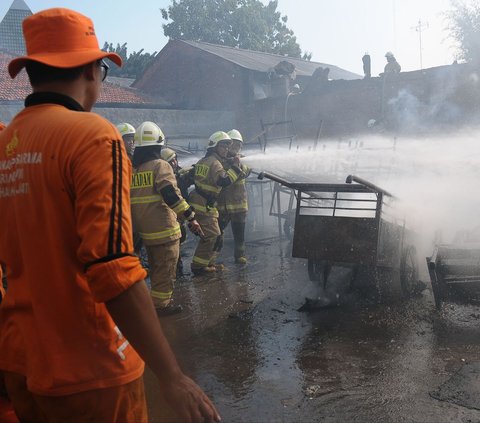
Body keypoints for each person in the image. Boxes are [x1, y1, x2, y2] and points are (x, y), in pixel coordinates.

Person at [0, 8, 220, 423]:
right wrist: (171, 376)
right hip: (90, 368)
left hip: (19, 359)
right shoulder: (93, 136)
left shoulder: (6, 141)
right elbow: (111, 267)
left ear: (32, 72)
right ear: (91, 70)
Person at [130, 121, 203, 316]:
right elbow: (171, 194)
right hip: (164, 229)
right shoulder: (160, 165)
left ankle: (155, 300)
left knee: (156, 267)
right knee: (165, 269)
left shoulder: (132, 170)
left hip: (144, 231)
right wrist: (190, 216)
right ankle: (161, 306)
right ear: (158, 145)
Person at [189, 131, 245, 276]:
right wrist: (236, 167)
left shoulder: (203, 160)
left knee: (214, 234)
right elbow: (224, 181)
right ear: (215, 147)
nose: (227, 149)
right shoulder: (214, 163)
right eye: (223, 146)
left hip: (200, 202)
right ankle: (198, 266)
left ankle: (208, 263)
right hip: (204, 204)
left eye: (228, 146)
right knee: (213, 235)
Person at [217, 129, 251, 264]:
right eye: (234, 144)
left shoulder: (241, 159)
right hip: (223, 205)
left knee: (239, 235)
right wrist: (232, 164)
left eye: (239, 145)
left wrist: (237, 164)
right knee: (217, 233)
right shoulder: (220, 160)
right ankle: (211, 259)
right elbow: (223, 177)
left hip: (239, 204)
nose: (236, 148)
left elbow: (245, 172)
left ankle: (240, 255)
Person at [161, 147, 196, 276]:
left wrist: (193, 172)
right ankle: (176, 270)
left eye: (175, 159)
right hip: (170, 215)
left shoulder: (179, 174)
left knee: (180, 238)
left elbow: (187, 181)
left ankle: (176, 267)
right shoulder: (164, 178)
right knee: (174, 241)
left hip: (180, 214)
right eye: (171, 161)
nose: (174, 163)